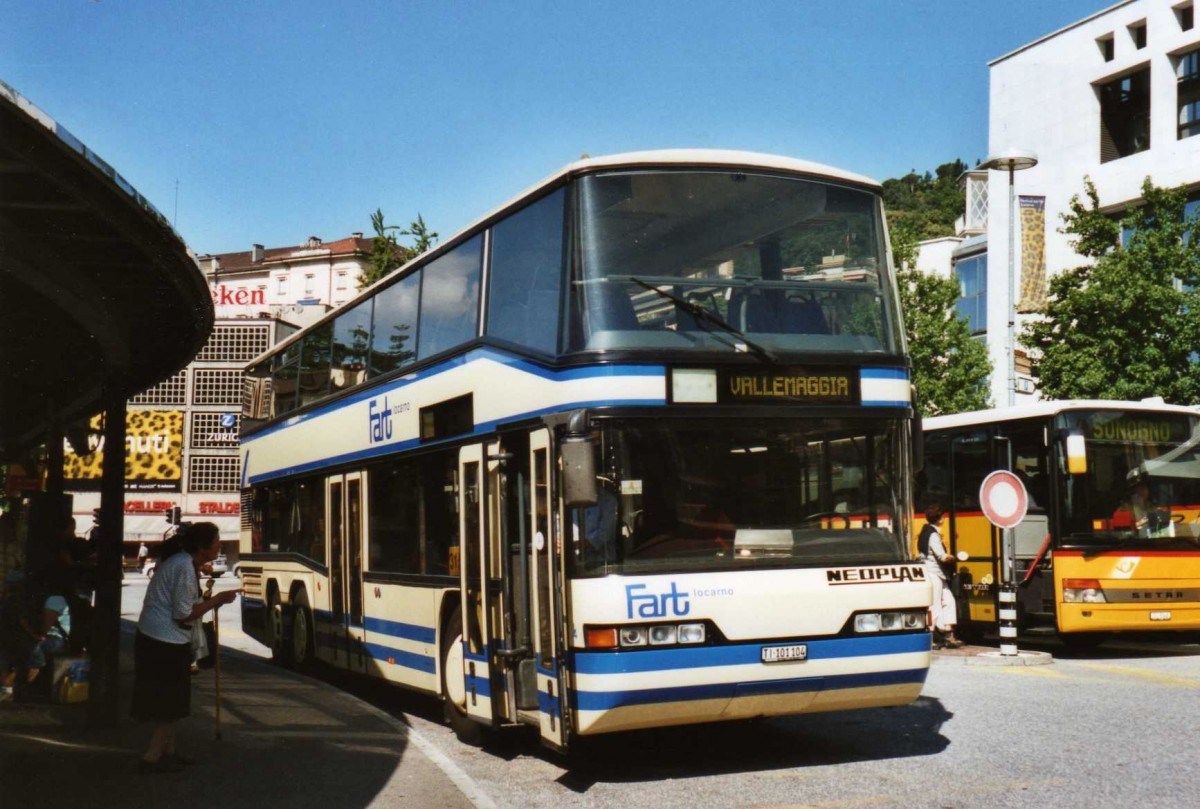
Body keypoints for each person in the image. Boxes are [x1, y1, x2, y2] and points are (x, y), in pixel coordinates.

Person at [131, 521, 238, 774]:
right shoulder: (183, 568)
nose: (219, 546)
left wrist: (209, 601)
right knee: (171, 704)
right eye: (216, 542)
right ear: (202, 547)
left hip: (159, 638)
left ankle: (168, 752)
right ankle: (152, 757)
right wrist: (218, 600)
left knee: (172, 702)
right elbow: (183, 613)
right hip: (164, 642)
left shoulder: (183, 563)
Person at [917, 503, 962, 649]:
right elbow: (941, 556)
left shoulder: (925, 530)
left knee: (949, 600)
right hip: (933, 573)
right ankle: (930, 638)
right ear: (939, 518)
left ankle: (948, 633)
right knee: (934, 605)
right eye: (943, 516)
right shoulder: (933, 534)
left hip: (936, 573)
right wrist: (954, 558)